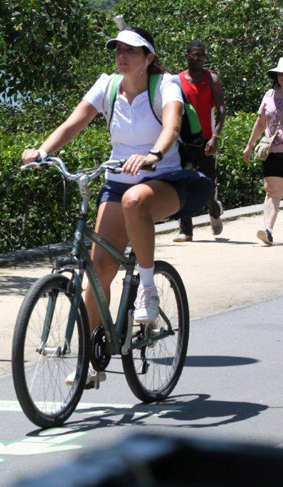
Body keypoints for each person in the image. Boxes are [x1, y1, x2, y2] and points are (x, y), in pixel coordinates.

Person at [21, 27, 211, 387]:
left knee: (134, 200)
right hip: (118, 179)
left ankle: (149, 286)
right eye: (117, 50)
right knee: (97, 273)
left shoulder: (166, 84)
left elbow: (171, 125)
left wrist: (153, 154)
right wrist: (43, 152)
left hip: (166, 180)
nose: (122, 56)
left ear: (149, 58)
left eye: (132, 51)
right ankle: (92, 362)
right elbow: (73, 123)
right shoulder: (107, 86)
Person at [173, 41, 226, 242]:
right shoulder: (176, 81)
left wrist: (215, 136)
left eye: (203, 55)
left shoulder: (211, 79)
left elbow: (221, 108)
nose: (201, 58)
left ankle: (214, 209)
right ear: (187, 56)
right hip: (184, 139)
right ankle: (186, 230)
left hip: (206, 139)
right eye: (196, 55)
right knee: (183, 181)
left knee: (208, 183)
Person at [243, 57, 283, 246]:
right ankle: (268, 230)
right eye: (280, 74)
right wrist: (250, 145)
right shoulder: (269, 95)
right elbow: (260, 123)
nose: (282, 77)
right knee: (272, 191)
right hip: (272, 151)